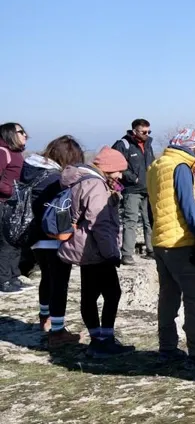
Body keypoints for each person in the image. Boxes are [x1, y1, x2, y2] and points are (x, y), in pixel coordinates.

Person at [146, 128, 195, 364]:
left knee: (168, 296)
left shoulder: (157, 165)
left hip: (160, 241)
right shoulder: (180, 167)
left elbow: (151, 205)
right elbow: (189, 207)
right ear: (192, 148)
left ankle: (167, 347)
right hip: (179, 242)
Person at [58, 147, 133, 356]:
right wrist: (111, 253)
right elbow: (99, 223)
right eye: (118, 171)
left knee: (90, 294)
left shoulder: (82, 180)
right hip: (96, 248)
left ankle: (97, 340)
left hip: (84, 245)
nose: (120, 175)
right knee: (112, 293)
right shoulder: (96, 186)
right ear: (107, 168)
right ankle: (103, 341)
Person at [22, 136, 85, 347]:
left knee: (46, 278)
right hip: (53, 237)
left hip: (34, 236)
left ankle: (45, 318)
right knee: (59, 283)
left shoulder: (31, 171)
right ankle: (57, 332)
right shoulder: (56, 179)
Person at [112, 119, 155, 263]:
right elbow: (116, 165)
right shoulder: (122, 145)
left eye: (149, 131)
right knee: (130, 221)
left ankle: (152, 250)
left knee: (149, 220)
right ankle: (127, 254)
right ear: (135, 131)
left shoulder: (148, 144)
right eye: (144, 132)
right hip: (131, 190)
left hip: (148, 189)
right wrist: (133, 178)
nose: (147, 134)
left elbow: (152, 164)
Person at [0, 122, 30, 292]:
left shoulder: (16, 153)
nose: (25, 135)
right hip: (4, 204)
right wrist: (11, 191)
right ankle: (4, 281)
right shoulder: (3, 152)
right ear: (9, 134)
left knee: (16, 240)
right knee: (6, 243)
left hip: (15, 204)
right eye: (21, 132)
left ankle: (14, 277)